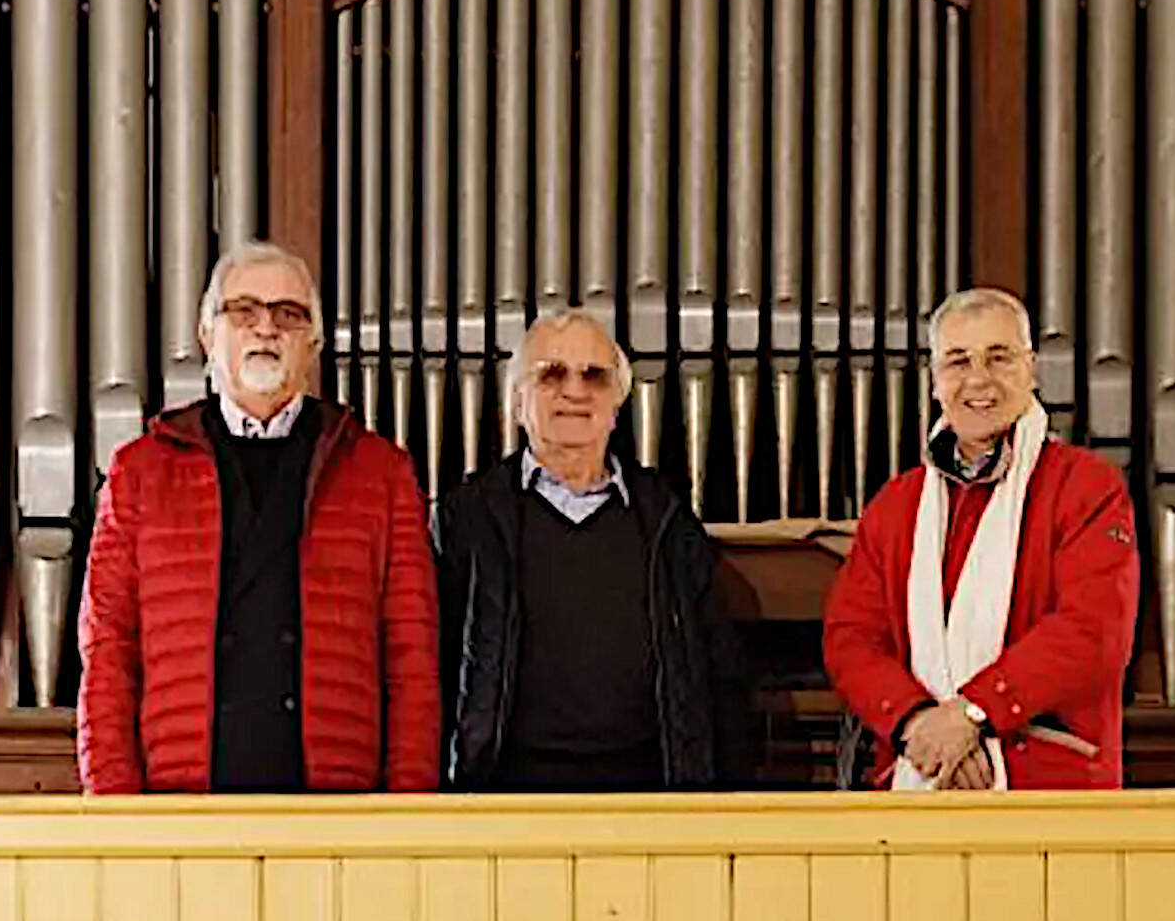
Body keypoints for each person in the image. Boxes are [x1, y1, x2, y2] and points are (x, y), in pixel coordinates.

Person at [76, 241, 440, 793]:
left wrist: (404, 813)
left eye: (289, 314)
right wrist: (115, 812)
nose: (266, 328)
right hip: (179, 810)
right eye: (243, 311)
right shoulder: (140, 473)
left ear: (314, 343)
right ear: (207, 336)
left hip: (339, 811)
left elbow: (412, 658)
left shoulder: (381, 474)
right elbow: (108, 652)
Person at [822, 287, 1139, 790]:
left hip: (1049, 785)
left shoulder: (1086, 488)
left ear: (1031, 369)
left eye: (999, 357)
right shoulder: (896, 506)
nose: (978, 380)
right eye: (957, 361)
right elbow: (851, 638)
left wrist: (974, 715)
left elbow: (1092, 632)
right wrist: (917, 723)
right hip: (918, 769)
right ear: (934, 382)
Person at [436, 308, 753, 790]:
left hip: (652, 798)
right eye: (552, 375)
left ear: (617, 405)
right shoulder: (468, 520)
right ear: (517, 402)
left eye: (595, 376)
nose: (576, 392)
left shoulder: (668, 521)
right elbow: (434, 668)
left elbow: (718, 673)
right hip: (504, 800)